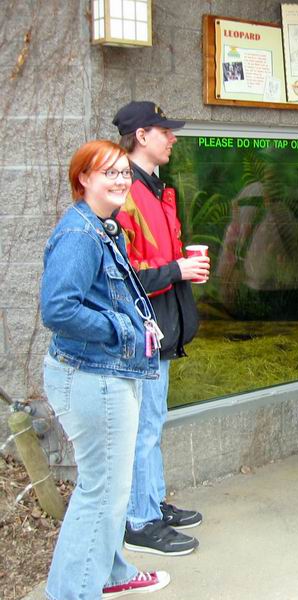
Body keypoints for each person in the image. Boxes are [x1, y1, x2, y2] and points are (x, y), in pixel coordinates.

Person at [40, 140, 170, 598]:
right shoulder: (80, 234)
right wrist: (123, 330)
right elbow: (58, 309)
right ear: (83, 179)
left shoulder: (103, 228)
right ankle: (72, 592)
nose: (120, 179)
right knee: (101, 491)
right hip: (93, 377)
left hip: (108, 372)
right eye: (107, 172)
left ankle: (112, 573)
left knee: (112, 488)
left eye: (123, 172)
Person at [113, 101, 210, 556]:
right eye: (164, 131)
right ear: (141, 136)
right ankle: (139, 520)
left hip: (161, 327)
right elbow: (121, 275)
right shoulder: (127, 193)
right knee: (144, 426)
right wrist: (177, 269)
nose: (172, 138)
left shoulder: (154, 189)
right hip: (142, 332)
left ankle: (150, 501)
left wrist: (179, 267)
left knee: (152, 422)